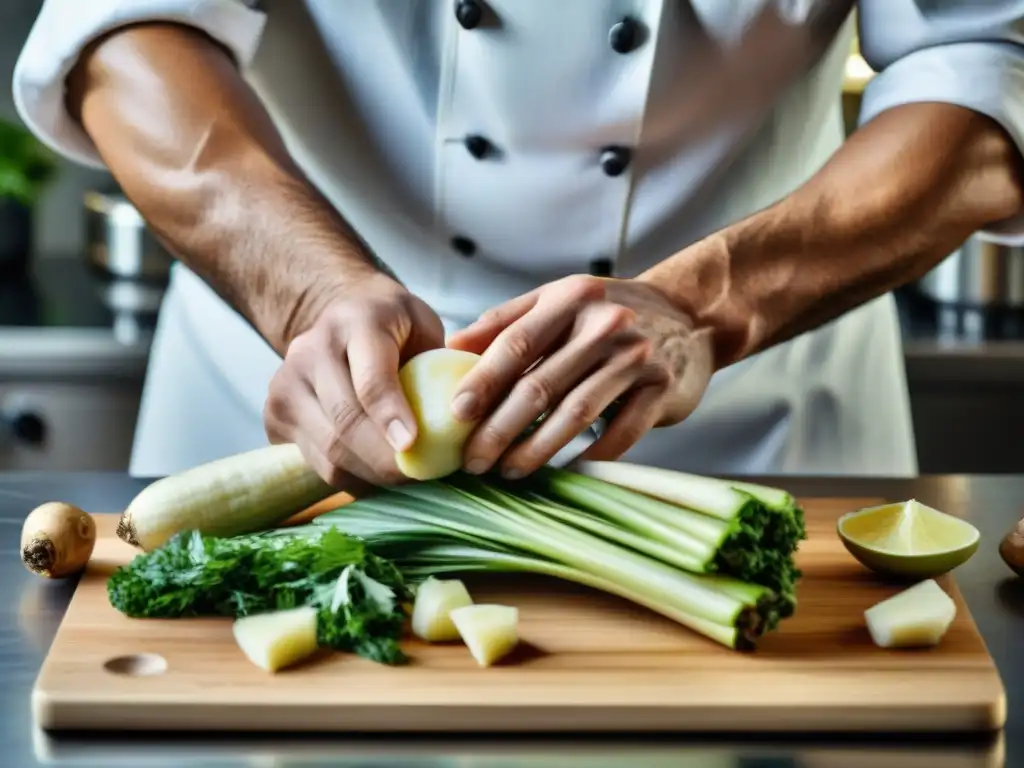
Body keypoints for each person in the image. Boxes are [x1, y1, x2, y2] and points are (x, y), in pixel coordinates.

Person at [12, 1, 1024, 485]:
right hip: (284, 416)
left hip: (750, 427)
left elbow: (982, 64)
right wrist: (305, 292)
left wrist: (705, 308)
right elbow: (125, 31)